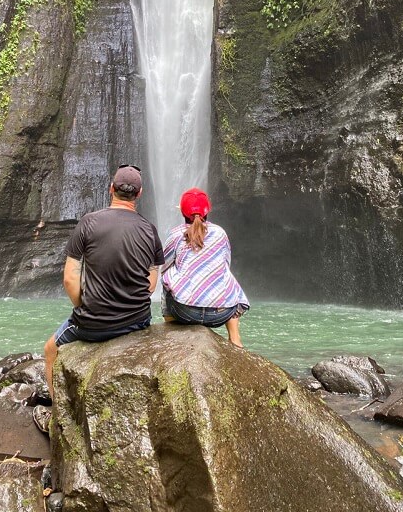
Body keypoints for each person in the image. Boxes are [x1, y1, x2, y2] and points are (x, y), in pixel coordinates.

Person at [43, 164, 164, 401]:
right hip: (137, 322)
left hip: (92, 325)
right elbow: (151, 280)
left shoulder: (88, 222)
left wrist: (84, 307)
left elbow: (69, 278)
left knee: (50, 350)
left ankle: (56, 408)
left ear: (111, 188)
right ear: (139, 194)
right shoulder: (150, 230)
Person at [161, 188, 249, 348]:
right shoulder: (220, 233)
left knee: (167, 276)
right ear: (208, 210)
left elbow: (164, 265)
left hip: (185, 312)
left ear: (182, 211)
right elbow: (226, 263)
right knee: (226, 274)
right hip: (221, 314)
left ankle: (171, 329)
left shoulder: (175, 235)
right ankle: (235, 338)